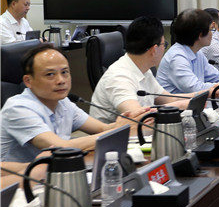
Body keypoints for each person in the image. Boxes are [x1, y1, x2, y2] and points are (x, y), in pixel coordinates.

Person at [0, 44, 148, 163]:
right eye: (50, 74)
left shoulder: (63, 102)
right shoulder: (18, 108)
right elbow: (59, 147)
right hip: (17, 183)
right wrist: (117, 129)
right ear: (28, 81)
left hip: (53, 173)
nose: (61, 80)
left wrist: (131, 121)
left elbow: (101, 128)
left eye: (64, 72)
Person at [90, 17, 218, 124]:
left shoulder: (143, 69)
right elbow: (139, 118)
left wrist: (207, 93)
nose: (164, 49)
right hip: (116, 143)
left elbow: (169, 99)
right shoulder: (119, 77)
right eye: (164, 45)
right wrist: (182, 105)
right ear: (154, 49)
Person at [157, 9, 219, 93]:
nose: (213, 34)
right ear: (200, 35)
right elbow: (194, 88)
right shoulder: (177, 57)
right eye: (211, 30)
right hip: (180, 101)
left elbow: (216, 76)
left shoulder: (197, 52)